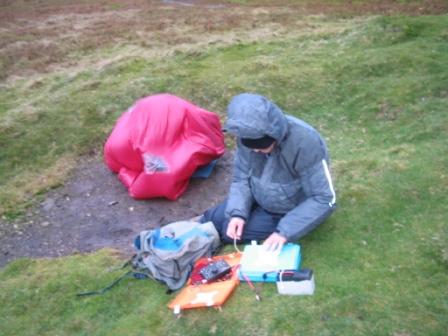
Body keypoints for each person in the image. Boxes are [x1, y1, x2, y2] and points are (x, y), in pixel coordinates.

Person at [201, 93, 336, 251]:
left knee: (227, 233)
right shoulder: (245, 135)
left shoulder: (305, 143)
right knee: (211, 218)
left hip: (287, 210)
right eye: (252, 147)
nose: (256, 151)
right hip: (258, 197)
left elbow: (323, 198)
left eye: (261, 146)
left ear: (273, 136)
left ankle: (204, 248)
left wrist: (284, 232)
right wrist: (238, 213)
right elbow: (241, 178)